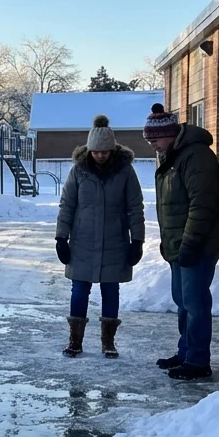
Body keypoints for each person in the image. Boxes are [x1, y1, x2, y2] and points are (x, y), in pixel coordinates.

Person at [143, 103, 219, 381]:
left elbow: (202, 204)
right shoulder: (173, 156)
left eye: (155, 139)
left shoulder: (195, 156)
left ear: (170, 134)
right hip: (179, 243)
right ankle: (185, 352)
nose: (153, 145)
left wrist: (191, 242)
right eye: (149, 140)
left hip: (199, 243)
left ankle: (198, 361)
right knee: (182, 300)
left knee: (195, 304)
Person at [55, 115, 145, 358]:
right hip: (82, 242)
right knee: (79, 290)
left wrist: (137, 240)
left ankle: (108, 342)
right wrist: (61, 237)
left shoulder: (125, 172)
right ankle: (75, 340)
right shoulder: (78, 172)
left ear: (113, 150)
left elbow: (135, 207)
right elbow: (67, 205)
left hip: (115, 241)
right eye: (96, 152)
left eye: (105, 151)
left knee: (111, 290)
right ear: (89, 150)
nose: (101, 156)